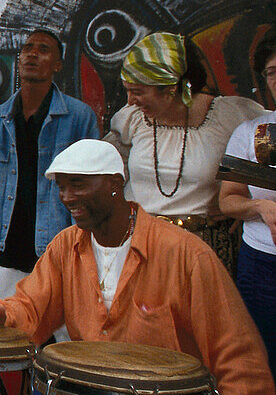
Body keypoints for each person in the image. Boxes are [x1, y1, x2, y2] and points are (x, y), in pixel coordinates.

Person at [0, 139, 276, 395]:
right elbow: (30, 307)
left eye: (78, 184)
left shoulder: (186, 255)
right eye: (60, 186)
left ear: (115, 184)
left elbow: (239, 360)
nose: (66, 196)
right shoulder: (65, 246)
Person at [107, 32, 265, 274]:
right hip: (141, 244)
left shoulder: (231, 116)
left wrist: (245, 204)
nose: (130, 101)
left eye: (138, 91)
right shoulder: (131, 121)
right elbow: (107, 171)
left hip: (205, 249)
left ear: (170, 87)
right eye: (128, 90)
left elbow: (264, 157)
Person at [0, 30, 100, 299]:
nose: (32, 53)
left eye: (43, 49)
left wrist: (86, 246)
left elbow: (91, 186)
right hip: (10, 251)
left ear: (57, 64)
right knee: (13, 332)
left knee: (66, 337)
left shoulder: (78, 117)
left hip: (62, 249)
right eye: (27, 48)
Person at [219, 31, 276, 382]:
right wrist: (260, 208)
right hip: (262, 267)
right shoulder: (251, 132)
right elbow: (227, 200)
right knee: (264, 362)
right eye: (272, 71)